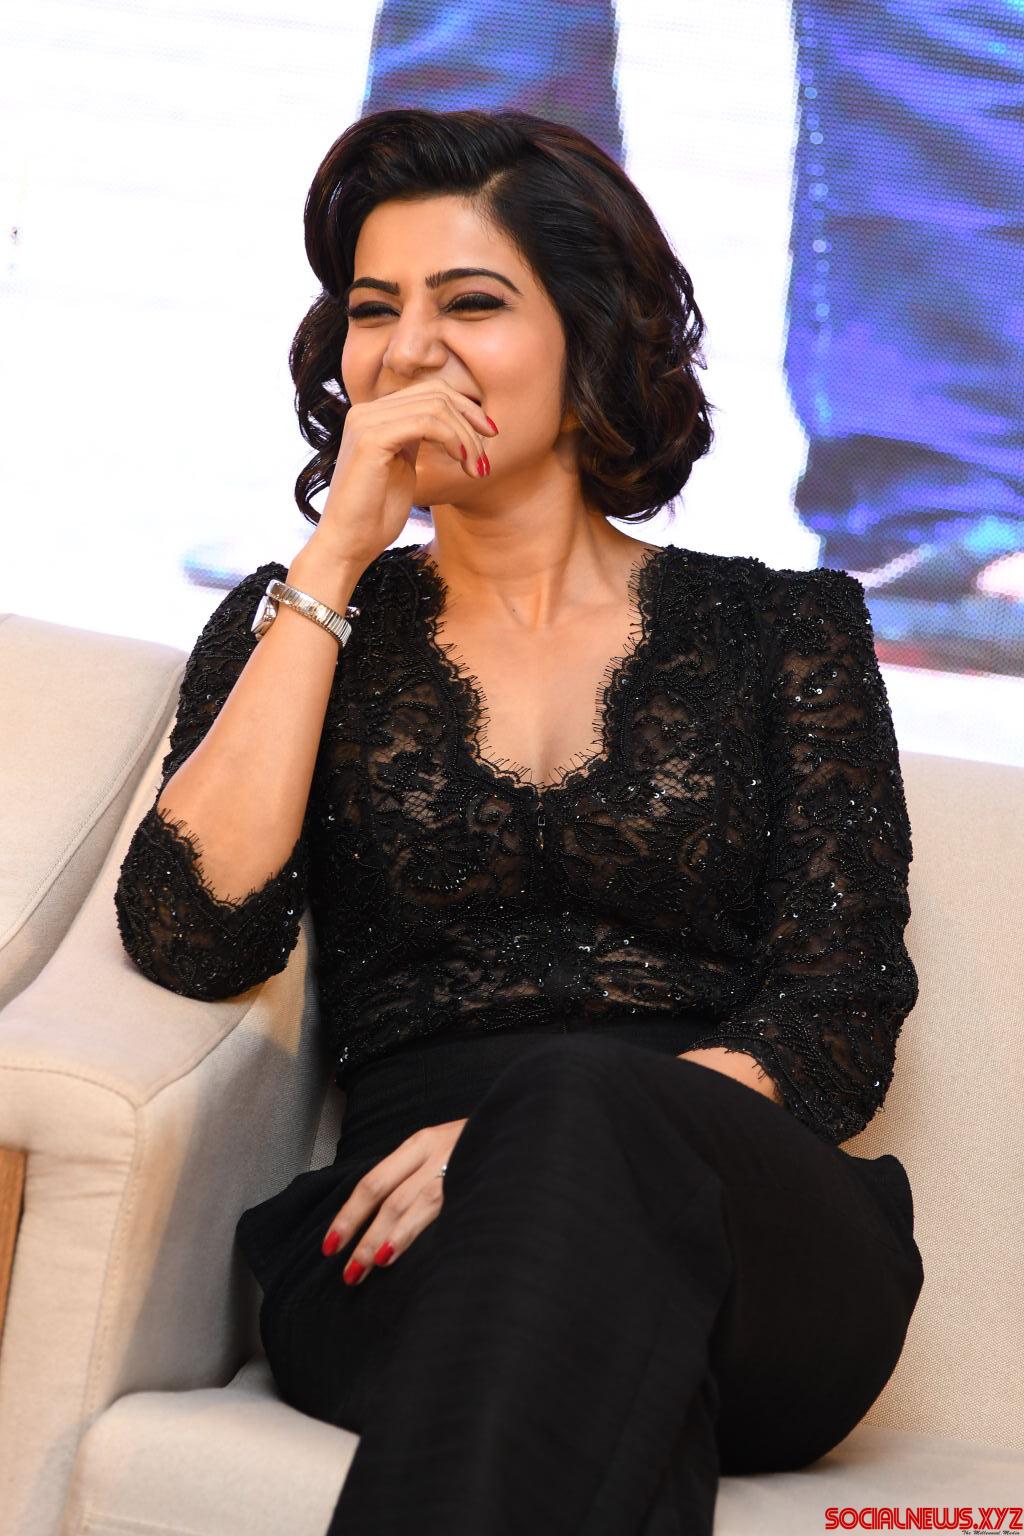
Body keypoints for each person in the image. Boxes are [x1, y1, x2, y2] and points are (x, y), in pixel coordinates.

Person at [115, 109, 925, 1536]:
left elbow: (839, 1018)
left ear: (588, 339)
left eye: (471, 303)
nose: (409, 351)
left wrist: (521, 1132)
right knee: (571, 1348)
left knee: (579, 1108)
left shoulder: (783, 629)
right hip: (407, 1240)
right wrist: (337, 553)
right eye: (376, 310)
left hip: (757, 1240)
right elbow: (193, 931)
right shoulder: (298, 620)